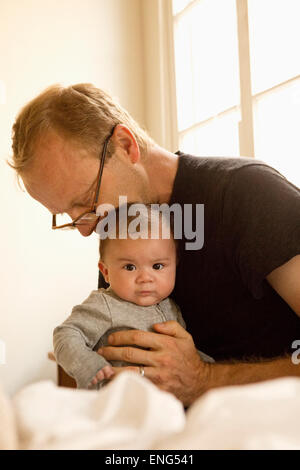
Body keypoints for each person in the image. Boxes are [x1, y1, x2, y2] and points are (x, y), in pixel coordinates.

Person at [9, 83, 300, 407]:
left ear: (125, 145)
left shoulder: (247, 193)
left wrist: (205, 380)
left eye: (86, 200)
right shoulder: (118, 231)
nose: (85, 229)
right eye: (67, 215)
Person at [53, 206, 214, 390]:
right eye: (130, 267)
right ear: (106, 272)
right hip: (116, 403)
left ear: (175, 265)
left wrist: (210, 370)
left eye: (158, 266)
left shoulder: (171, 307)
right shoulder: (105, 305)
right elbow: (65, 335)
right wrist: (89, 365)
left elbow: (184, 358)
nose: (145, 278)